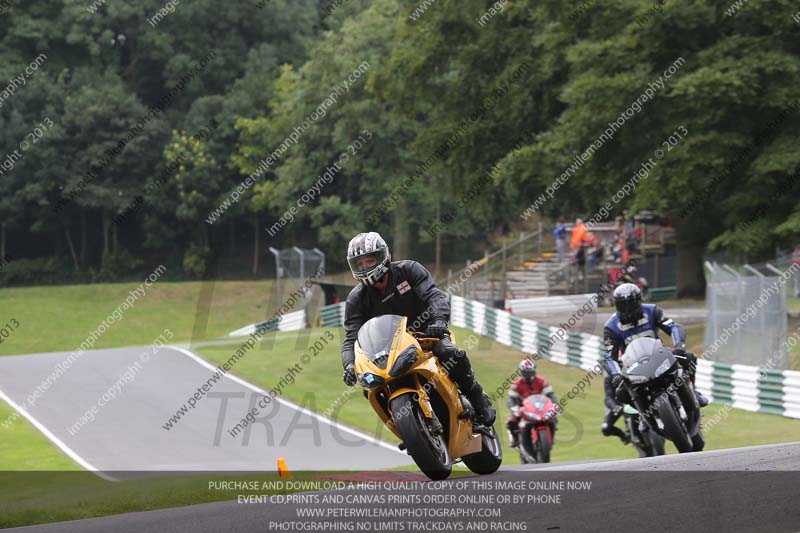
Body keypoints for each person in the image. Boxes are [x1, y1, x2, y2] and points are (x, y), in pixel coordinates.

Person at [340, 232, 496, 425]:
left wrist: (439, 321)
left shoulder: (408, 270)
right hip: (388, 351)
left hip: (427, 334)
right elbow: (352, 338)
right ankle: (404, 425)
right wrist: (349, 365)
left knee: (448, 352)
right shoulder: (356, 299)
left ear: (383, 256)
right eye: (359, 264)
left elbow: (434, 296)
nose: (364, 267)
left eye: (369, 261)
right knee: (370, 386)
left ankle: (477, 397)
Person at [600, 283, 707, 443]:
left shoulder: (652, 311)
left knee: (689, 357)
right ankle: (643, 414)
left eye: (631, 304)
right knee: (621, 392)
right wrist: (616, 374)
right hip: (632, 366)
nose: (628, 310)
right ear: (616, 305)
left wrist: (679, 345)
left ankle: (694, 391)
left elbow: (673, 327)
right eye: (623, 305)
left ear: (639, 301)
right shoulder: (611, 326)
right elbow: (609, 355)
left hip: (659, 354)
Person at [505, 359, 557, 448]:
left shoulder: (542, 381)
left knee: (552, 419)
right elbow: (511, 399)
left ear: (534, 371)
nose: (528, 375)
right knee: (511, 421)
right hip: (523, 408)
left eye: (530, 372)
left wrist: (554, 404)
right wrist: (514, 408)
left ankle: (550, 439)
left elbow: (550, 395)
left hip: (540, 407)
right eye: (526, 372)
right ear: (521, 372)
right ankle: (514, 439)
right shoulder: (516, 384)